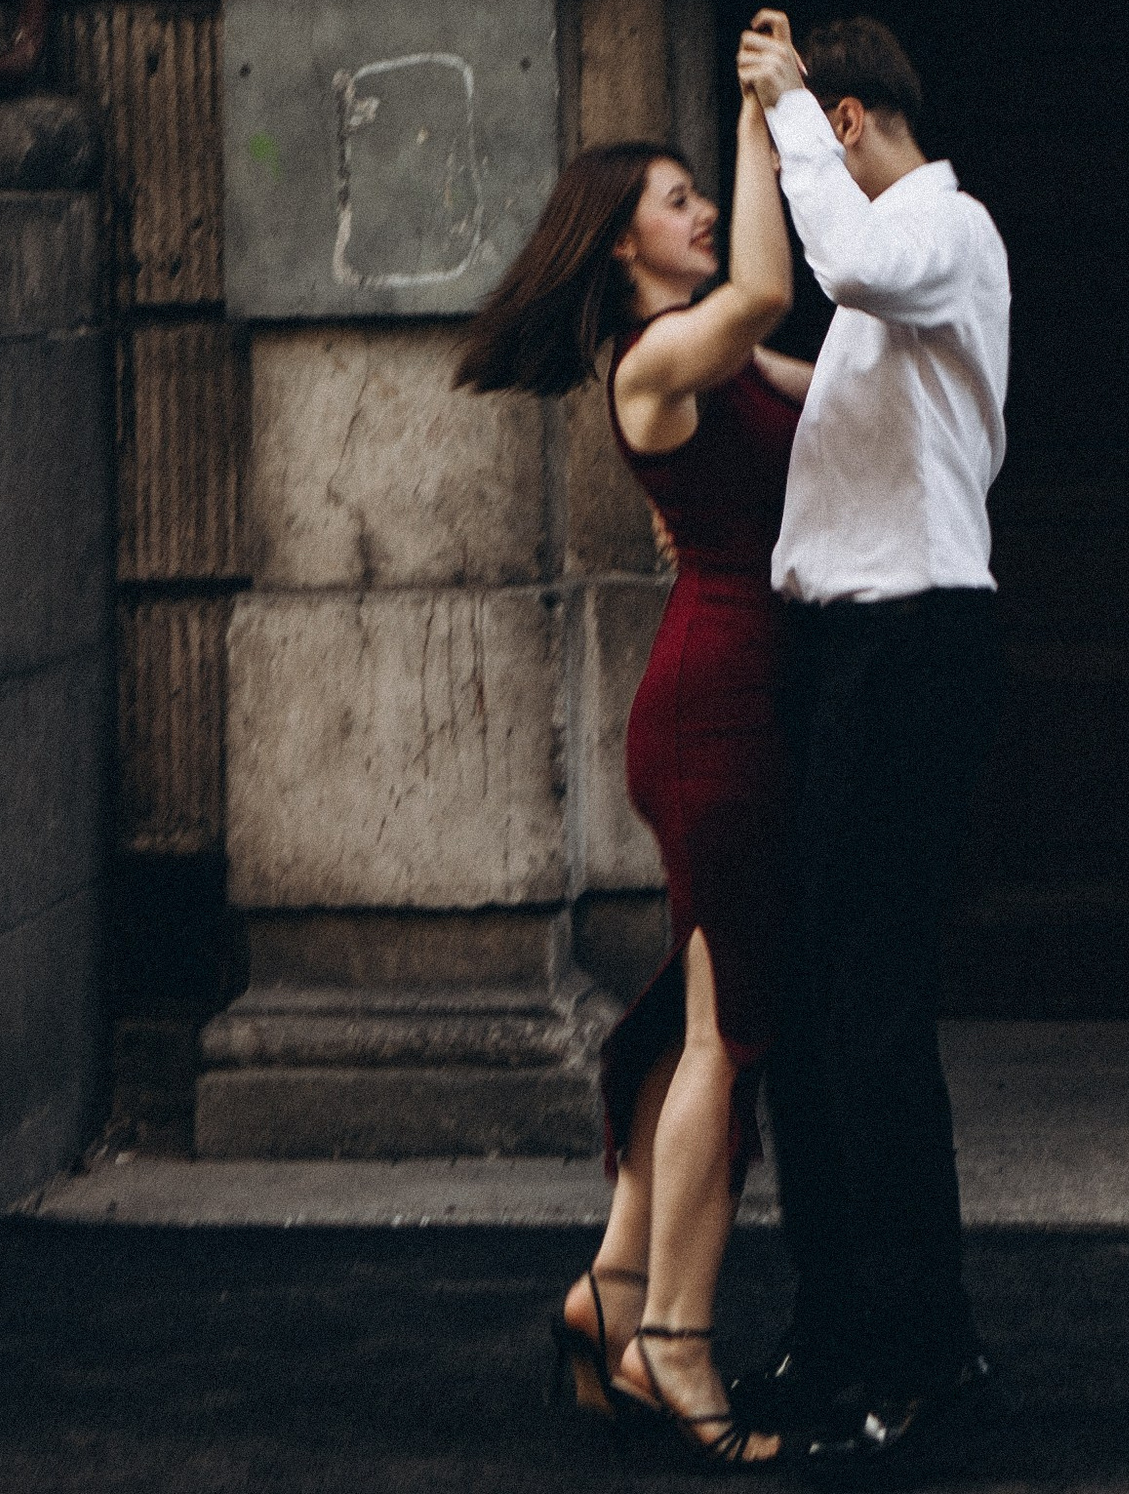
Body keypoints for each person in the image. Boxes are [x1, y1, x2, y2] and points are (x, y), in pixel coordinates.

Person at [455, 94, 810, 1468]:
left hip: (733, 695)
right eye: (678, 199)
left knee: (696, 1021)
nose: (707, 211)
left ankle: (607, 1295)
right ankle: (677, 1344)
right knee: (733, 1037)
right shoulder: (662, 355)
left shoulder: (720, 362)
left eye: (701, 188)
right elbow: (773, 284)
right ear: (619, 245)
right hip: (717, 708)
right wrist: (765, 118)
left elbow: (828, 384)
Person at [731, 9, 1012, 1473]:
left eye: (809, 125)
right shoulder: (883, 288)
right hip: (842, 648)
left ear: (847, 122)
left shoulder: (944, 229)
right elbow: (834, 384)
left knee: (875, 1007)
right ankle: (838, 1322)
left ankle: (930, 1339)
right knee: (819, 1007)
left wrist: (778, 106)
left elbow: (844, 261)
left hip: (911, 641)